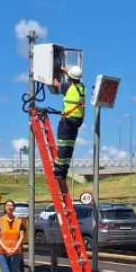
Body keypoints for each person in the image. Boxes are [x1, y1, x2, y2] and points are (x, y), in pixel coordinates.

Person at [50, 65, 85, 195]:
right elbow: (75, 80)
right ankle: (63, 171)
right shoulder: (81, 88)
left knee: (63, 145)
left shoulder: (66, 87)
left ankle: (58, 171)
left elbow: (55, 84)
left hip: (67, 120)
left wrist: (53, 73)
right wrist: (65, 71)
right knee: (69, 146)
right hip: (77, 120)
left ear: (70, 78)